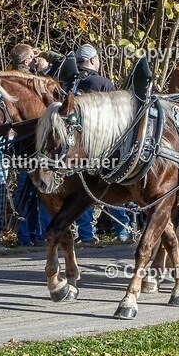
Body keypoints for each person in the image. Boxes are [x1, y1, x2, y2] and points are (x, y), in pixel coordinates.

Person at [73, 44, 131, 243]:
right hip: (105, 145)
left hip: (79, 148)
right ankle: (122, 230)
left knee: (83, 190)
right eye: (97, 58)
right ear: (92, 60)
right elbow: (117, 115)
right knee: (113, 185)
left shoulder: (68, 83)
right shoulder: (103, 83)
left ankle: (86, 235)